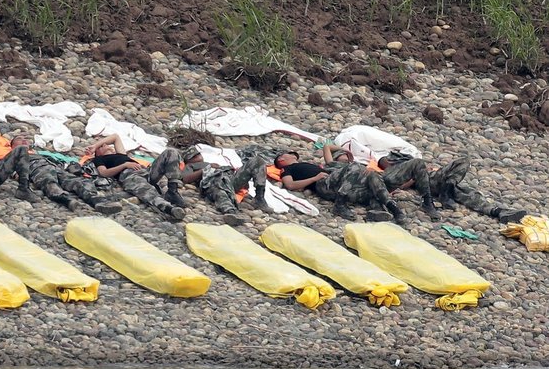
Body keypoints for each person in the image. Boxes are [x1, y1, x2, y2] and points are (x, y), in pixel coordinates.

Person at [384, 154, 525, 223]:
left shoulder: (408, 161)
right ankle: (446, 192)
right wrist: (416, 177)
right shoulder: (395, 171)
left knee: (467, 192)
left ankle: (497, 212)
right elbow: (402, 184)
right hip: (430, 181)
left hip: (436, 177)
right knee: (463, 164)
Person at [274, 149, 407, 222]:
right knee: (355, 166)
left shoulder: (304, 164)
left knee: (371, 177)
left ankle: (385, 209)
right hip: (323, 185)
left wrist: (343, 151)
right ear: (282, 159)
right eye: (289, 154)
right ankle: (339, 205)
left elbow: (328, 147)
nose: (292, 155)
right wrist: (314, 178)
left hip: (339, 184)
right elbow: (290, 185)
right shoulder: (287, 169)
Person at [7, 134, 121, 214]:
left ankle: (96, 200)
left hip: (56, 168)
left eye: (25, 139)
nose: (24, 140)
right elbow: (9, 168)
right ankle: (66, 200)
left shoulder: (38, 152)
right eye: (19, 139)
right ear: (12, 145)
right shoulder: (13, 154)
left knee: (78, 181)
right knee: (49, 182)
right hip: (37, 168)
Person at [87, 134, 186, 221]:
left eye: (104, 143)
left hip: (146, 172)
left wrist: (95, 145)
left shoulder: (120, 154)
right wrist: (124, 165)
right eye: (101, 146)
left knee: (170, 152)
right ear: (98, 153)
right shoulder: (99, 159)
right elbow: (104, 173)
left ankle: (172, 191)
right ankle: (169, 209)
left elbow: (115, 137)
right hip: (129, 176)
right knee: (148, 192)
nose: (105, 145)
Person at [180, 146, 270, 225]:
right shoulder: (191, 166)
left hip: (229, 179)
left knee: (257, 161)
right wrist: (206, 169)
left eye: (198, 154)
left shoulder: (209, 162)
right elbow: (186, 178)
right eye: (193, 157)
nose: (197, 157)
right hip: (212, 181)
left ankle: (259, 197)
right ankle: (230, 212)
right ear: (188, 161)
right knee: (219, 190)